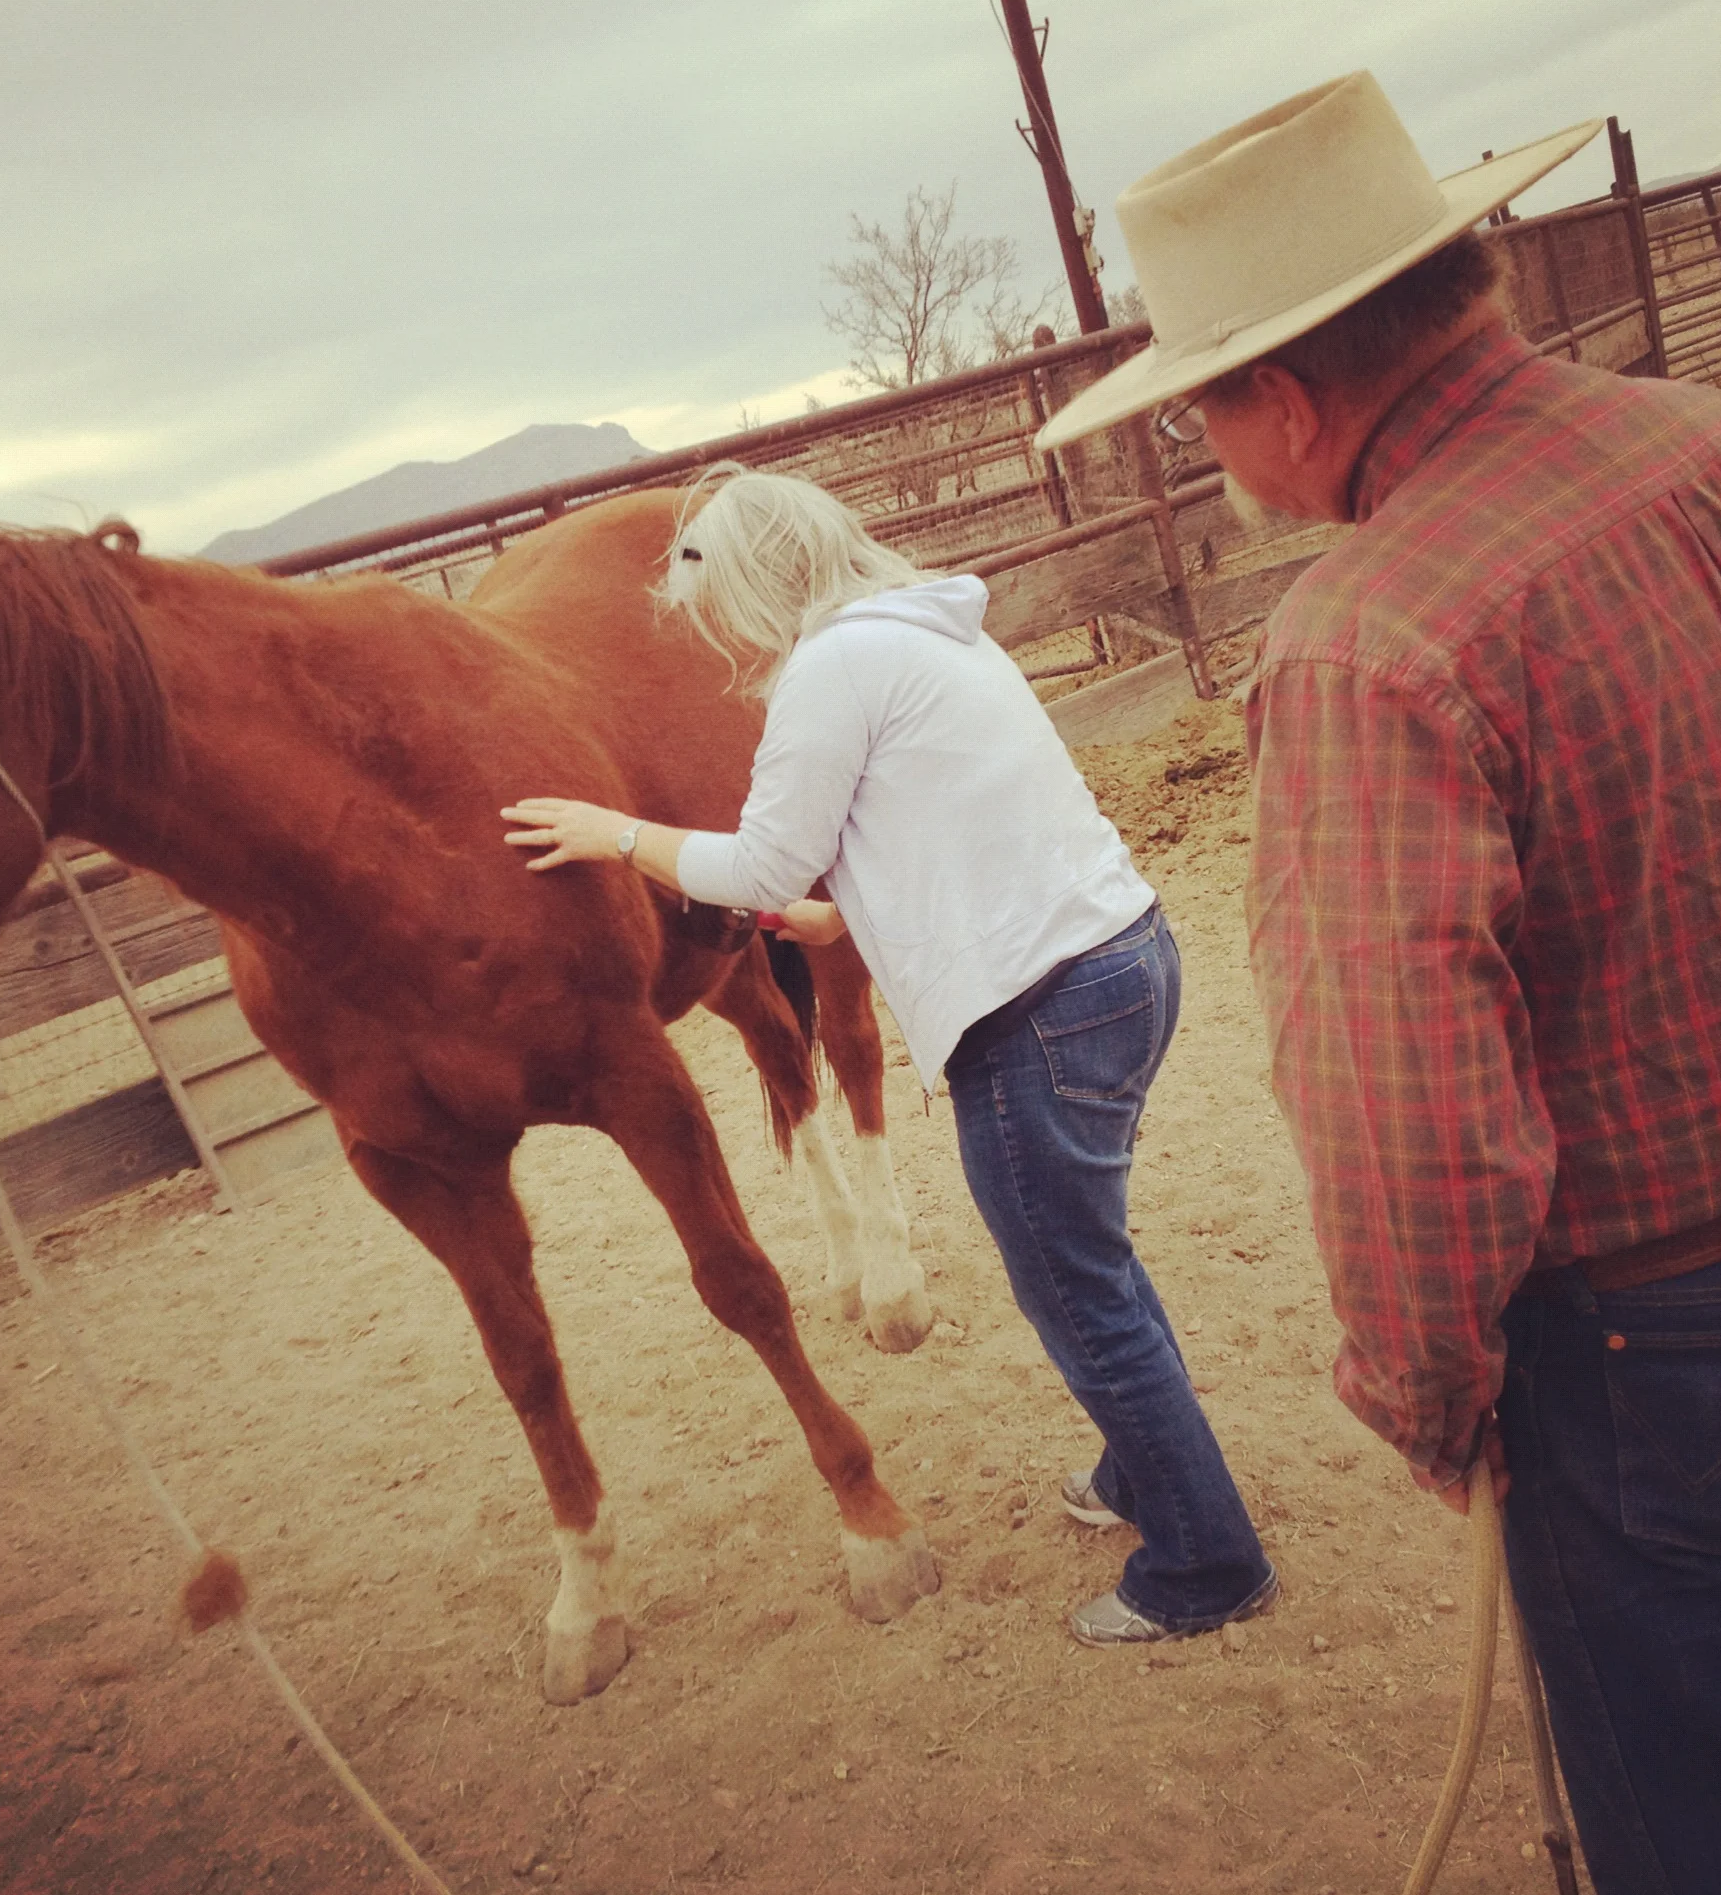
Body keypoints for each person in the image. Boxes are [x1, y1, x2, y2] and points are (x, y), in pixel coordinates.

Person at [1036, 70, 1721, 1895]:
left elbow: (1407, 1120)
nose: (1206, 446)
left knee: (1687, 1817)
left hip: (1652, 1338)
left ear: (1279, 397)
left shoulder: (1367, 638)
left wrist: (1427, 1389)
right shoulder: (1703, 443)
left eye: (1199, 406)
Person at [500, 463, 1276, 1647]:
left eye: (717, 611)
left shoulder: (831, 667)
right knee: (1094, 1264)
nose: (720, 641)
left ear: (754, 583)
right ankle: (1140, 1471)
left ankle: (1205, 1562)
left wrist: (616, 832)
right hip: (1123, 958)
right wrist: (840, 916)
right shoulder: (931, 633)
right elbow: (945, 816)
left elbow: (760, 862)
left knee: (1074, 1291)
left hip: (1035, 1011)